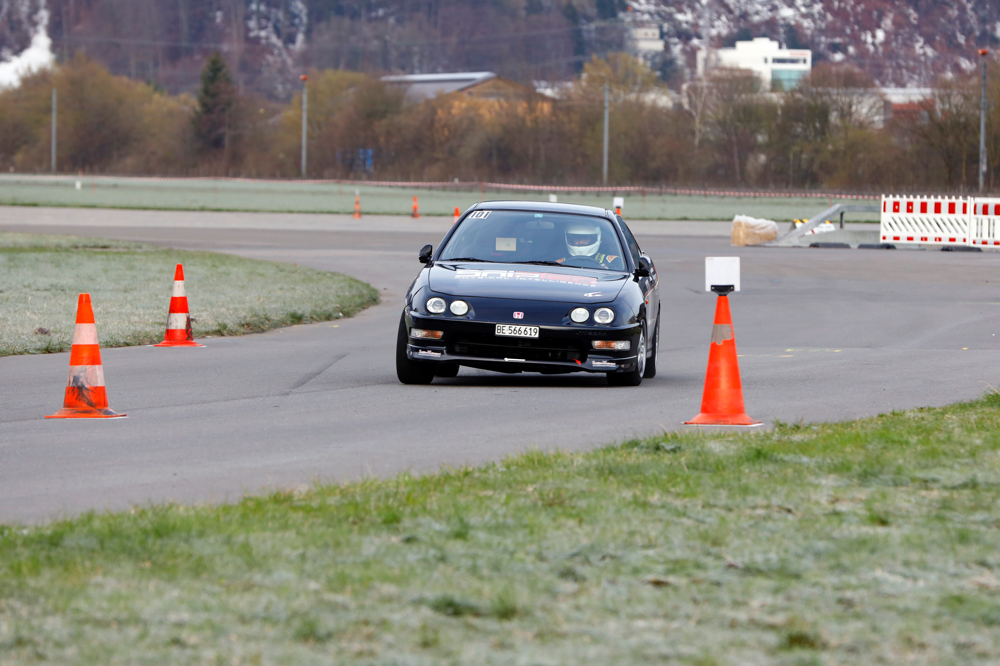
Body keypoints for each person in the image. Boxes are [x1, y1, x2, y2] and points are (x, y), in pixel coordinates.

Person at [557, 220, 624, 269]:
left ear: (596, 238)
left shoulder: (612, 261)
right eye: (576, 238)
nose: (581, 242)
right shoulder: (559, 263)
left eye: (585, 238)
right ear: (568, 238)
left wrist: (607, 270)